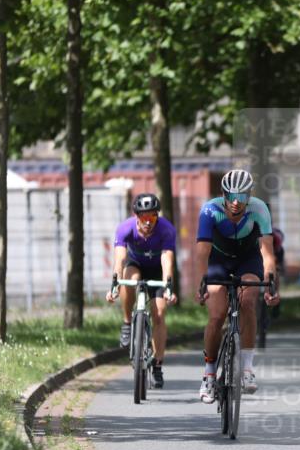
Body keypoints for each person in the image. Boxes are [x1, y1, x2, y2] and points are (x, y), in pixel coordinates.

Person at [195, 169, 280, 403]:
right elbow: (202, 253)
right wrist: (201, 284)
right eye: (231, 196)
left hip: (248, 259)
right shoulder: (209, 210)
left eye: (242, 196)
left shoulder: (259, 209)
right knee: (217, 314)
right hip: (218, 260)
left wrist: (271, 285)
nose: (236, 202)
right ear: (223, 194)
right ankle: (209, 374)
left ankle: (247, 368)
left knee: (248, 301)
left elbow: (267, 254)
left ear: (249, 196)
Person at [106, 193, 177, 389]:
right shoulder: (125, 228)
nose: (148, 222)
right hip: (135, 264)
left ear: (157, 217)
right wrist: (114, 285)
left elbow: (167, 260)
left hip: (157, 269)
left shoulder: (166, 229)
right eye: (144, 217)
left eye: (152, 217)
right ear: (136, 216)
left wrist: (168, 287)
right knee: (130, 280)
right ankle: (127, 322)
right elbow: (120, 259)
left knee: (159, 313)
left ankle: (157, 365)